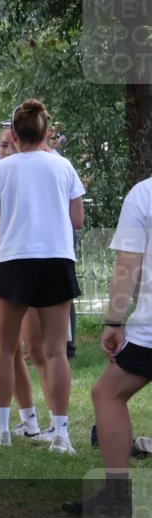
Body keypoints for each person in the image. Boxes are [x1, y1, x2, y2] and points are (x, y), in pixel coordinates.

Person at [0, 99, 85, 453]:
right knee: (55, 351)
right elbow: (77, 220)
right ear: (45, 130)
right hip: (57, 259)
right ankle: (62, 434)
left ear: (14, 133)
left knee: (5, 348)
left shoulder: (0, 169)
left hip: (13, 261)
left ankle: (3, 429)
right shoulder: (63, 167)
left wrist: (3, 254)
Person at [90, 176, 152, 471]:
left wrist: (114, 321)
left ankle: (116, 499)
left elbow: (128, 264)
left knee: (108, 394)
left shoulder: (144, 194)